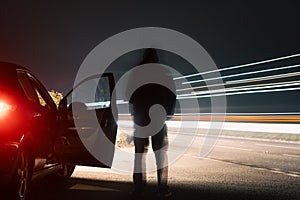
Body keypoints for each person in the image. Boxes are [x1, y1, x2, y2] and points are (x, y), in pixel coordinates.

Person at [127, 48, 176, 199]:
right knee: (160, 155)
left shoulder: (136, 72)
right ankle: (162, 189)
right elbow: (172, 94)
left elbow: (128, 94)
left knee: (139, 155)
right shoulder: (163, 72)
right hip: (158, 117)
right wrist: (169, 113)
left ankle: (138, 188)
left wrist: (135, 109)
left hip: (141, 116)